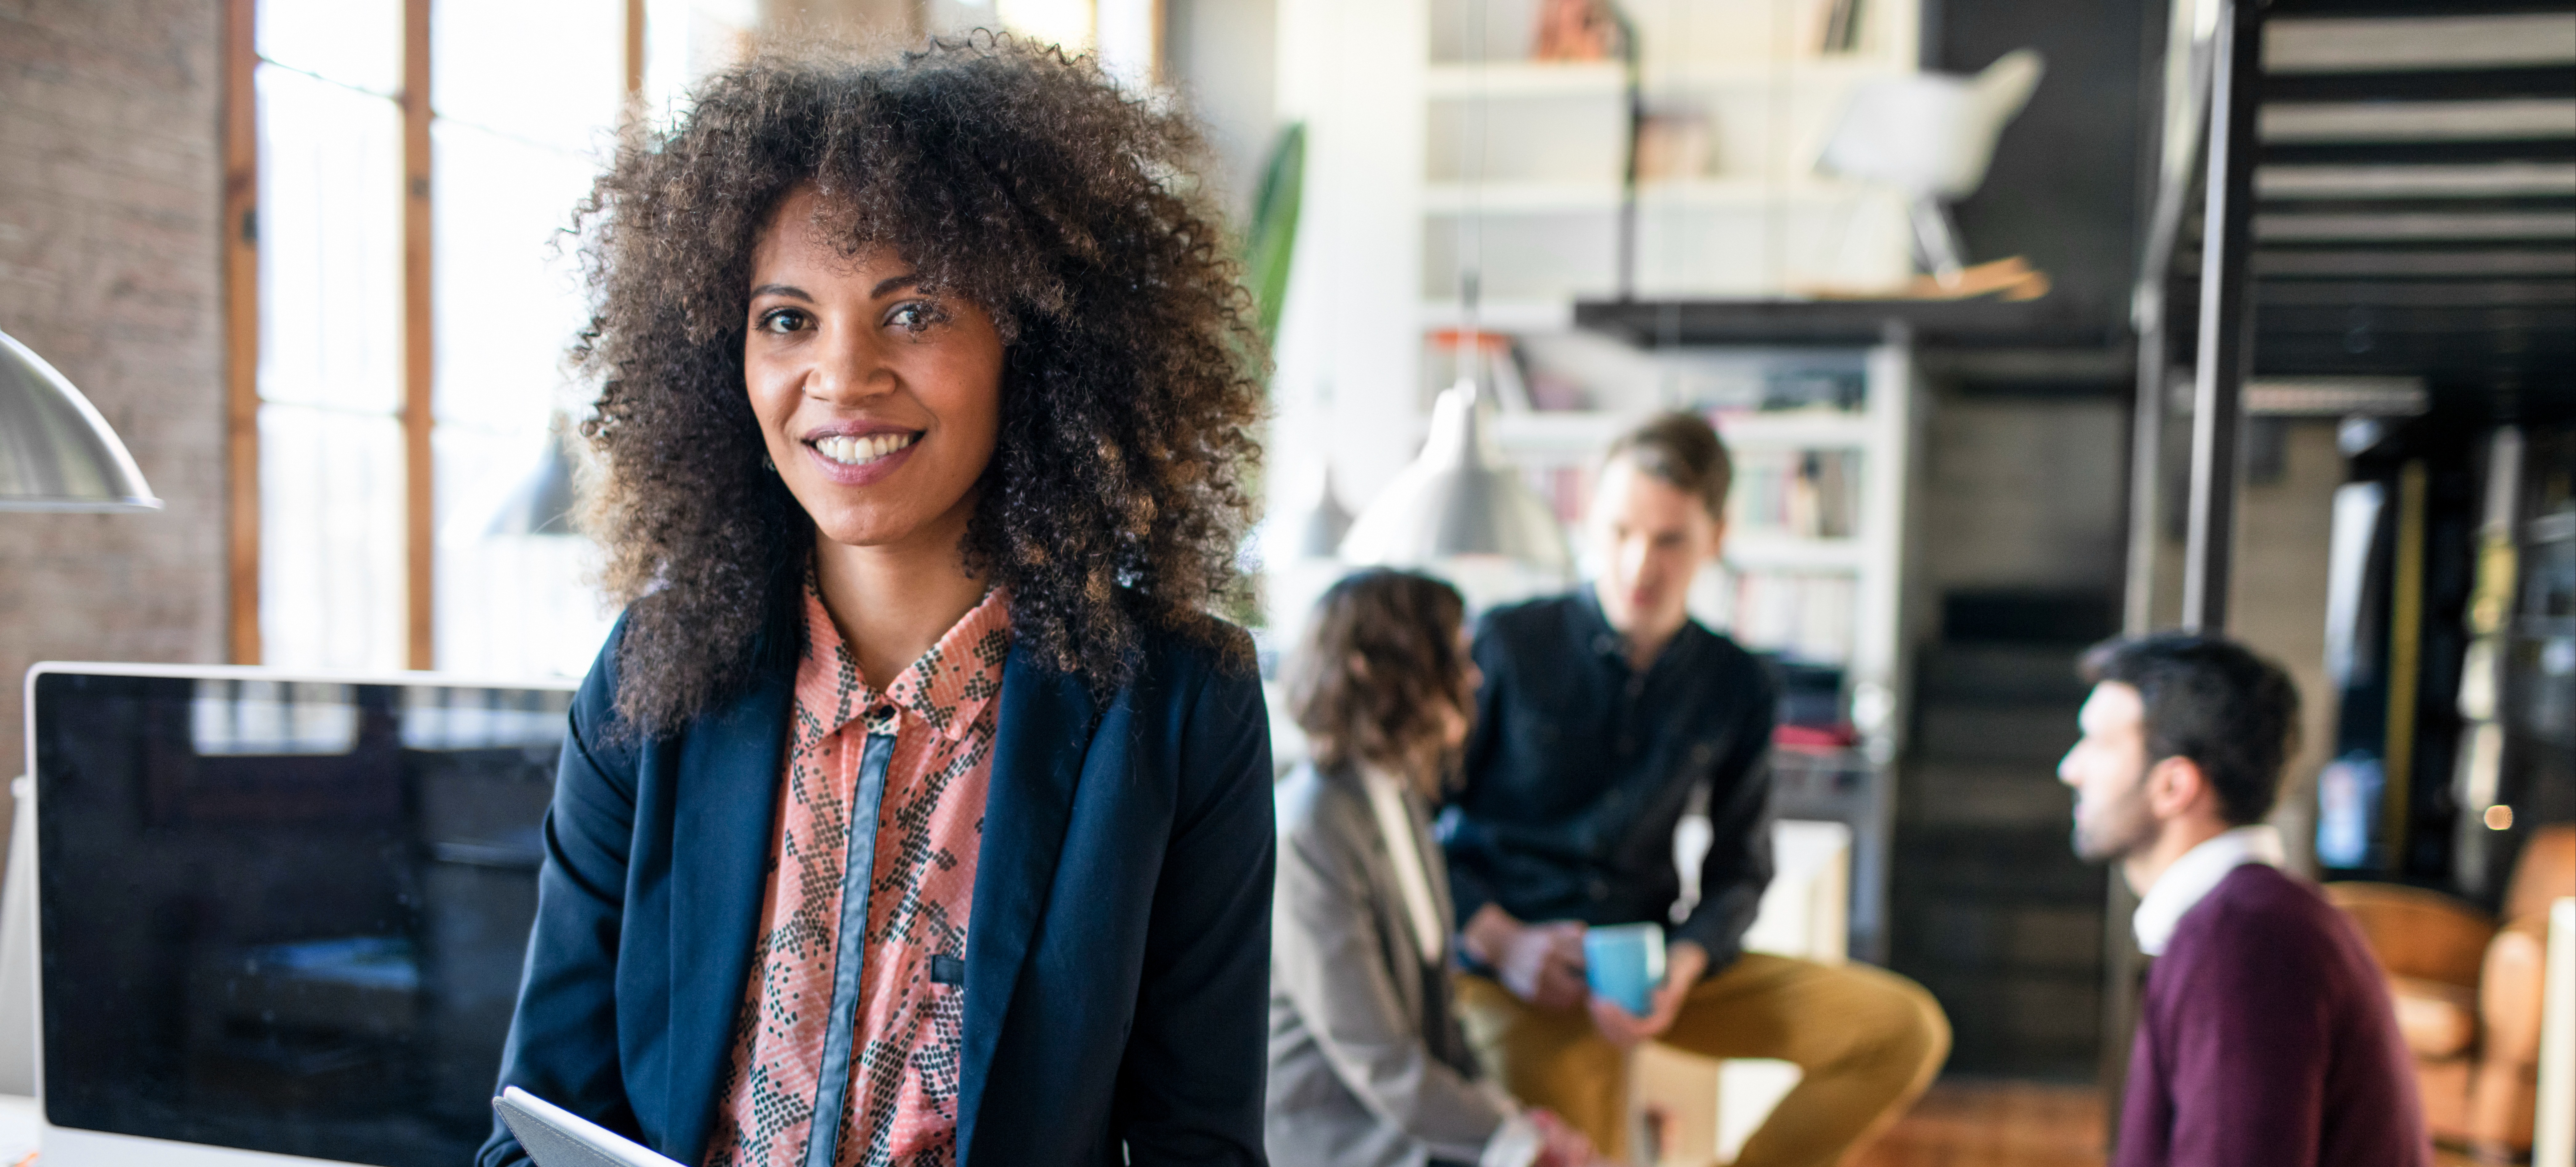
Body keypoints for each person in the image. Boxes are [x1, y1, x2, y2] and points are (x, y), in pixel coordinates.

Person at [477, 36, 1276, 1167]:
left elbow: (1199, 1145)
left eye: (914, 312)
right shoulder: (651, 677)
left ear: (1032, 343)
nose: (842, 378)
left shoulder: (1184, 705)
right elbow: (536, 1122)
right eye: (788, 319)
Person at [1440, 413, 1948, 1167]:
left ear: (1717, 535)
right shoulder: (1506, 642)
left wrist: (1686, 962)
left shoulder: (1737, 681)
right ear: (1589, 523)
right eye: (1619, 532)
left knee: (1901, 1031)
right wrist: (1502, 940)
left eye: (1671, 539)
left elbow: (1742, 867)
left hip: (1653, 967)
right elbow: (1413, 826)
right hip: (1515, 976)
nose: (1640, 563)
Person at [1269, 569, 1605, 1167]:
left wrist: (1515, 1121)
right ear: (1378, 669)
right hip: (1341, 1141)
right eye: (1453, 655)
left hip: (1411, 1130)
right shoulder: (1312, 828)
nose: (1473, 675)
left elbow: (1440, 1023)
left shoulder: (1398, 798)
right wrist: (1524, 1145)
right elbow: (1379, 1060)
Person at [2060, 633, 2430, 1167]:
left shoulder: (2241, 941)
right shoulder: (2252, 917)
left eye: (2097, 743)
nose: (2070, 769)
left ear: (2173, 786)